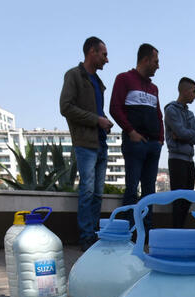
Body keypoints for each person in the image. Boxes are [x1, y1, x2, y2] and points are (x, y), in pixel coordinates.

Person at [60, 36, 113, 250]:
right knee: (88, 191)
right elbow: (65, 107)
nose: (106, 60)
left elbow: (95, 110)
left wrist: (104, 121)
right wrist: (96, 120)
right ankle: (85, 238)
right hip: (85, 143)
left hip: (100, 143)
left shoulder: (98, 83)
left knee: (97, 193)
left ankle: (93, 235)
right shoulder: (74, 75)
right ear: (92, 52)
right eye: (104, 54)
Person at [110, 44, 162, 227]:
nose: (158, 66)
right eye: (156, 61)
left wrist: (160, 140)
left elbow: (158, 114)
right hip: (135, 143)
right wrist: (131, 132)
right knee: (132, 188)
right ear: (145, 60)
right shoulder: (124, 79)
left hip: (153, 144)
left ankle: (147, 230)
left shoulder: (154, 88)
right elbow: (115, 108)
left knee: (149, 190)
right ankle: (130, 230)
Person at [163, 77, 195, 228]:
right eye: (193, 91)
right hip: (176, 160)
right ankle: (176, 230)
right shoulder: (171, 110)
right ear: (185, 91)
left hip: (189, 161)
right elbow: (181, 131)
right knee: (179, 199)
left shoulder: (190, 114)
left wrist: (183, 135)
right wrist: (185, 134)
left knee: (187, 198)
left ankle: (181, 228)